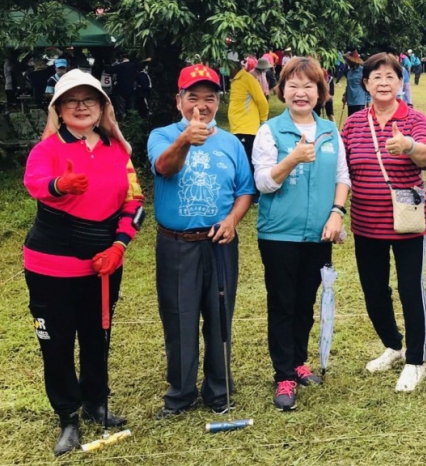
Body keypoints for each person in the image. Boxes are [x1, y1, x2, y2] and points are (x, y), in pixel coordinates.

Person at [23, 69, 144, 456]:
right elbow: (35, 183)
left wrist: (120, 247)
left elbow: (135, 204)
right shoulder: (47, 150)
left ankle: (96, 402)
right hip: (51, 264)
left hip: (103, 263)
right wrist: (61, 186)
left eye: (88, 99)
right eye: (71, 100)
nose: (80, 106)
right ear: (58, 109)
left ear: (102, 107)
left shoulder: (118, 151)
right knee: (56, 343)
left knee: (97, 336)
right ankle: (68, 416)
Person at [148, 64, 255, 419]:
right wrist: (184, 140)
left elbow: (245, 190)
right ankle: (180, 394)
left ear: (218, 102)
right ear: (178, 100)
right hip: (177, 244)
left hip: (220, 242)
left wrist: (233, 219)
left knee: (220, 316)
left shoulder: (231, 143)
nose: (201, 105)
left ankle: (219, 389)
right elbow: (164, 168)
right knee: (179, 318)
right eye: (193, 97)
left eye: (209, 98)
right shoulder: (162, 136)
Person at [253, 57, 351, 411]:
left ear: (320, 91)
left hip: (318, 235)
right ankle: (283, 374)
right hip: (279, 234)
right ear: (281, 90)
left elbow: (343, 177)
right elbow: (263, 182)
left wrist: (337, 214)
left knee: (306, 304)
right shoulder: (270, 131)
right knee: (282, 304)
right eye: (293, 85)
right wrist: (292, 158)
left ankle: (298, 361)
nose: (301, 92)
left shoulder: (329, 130)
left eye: (309, 86)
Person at [341, 52, 426, 392]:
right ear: (365, 84)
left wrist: (408, 145)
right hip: (366, 223)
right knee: (374, 291)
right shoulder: (352, 124)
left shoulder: (414, 119)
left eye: (390, 76)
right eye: (375, 77)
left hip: (407, 222)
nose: (383, 82)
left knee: (411, 288)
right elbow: (342, 172)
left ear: (401, 82)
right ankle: (394, 345)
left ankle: (416, 361)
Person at [227, 55, 270, 175]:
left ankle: (253, 189)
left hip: (247, 129)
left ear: (233, 67)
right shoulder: (235, 80)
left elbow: (262, 101)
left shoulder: (248, 79)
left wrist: (263, 121)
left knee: (248, 161)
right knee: (240, 160)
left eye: (226, 67)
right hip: (237, 127)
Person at [342, 51, 369, 117]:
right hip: (350, 101)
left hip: (359, 101)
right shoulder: (349, 72)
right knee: (351, 120)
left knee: (359, 122)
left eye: (348, 61)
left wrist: (369, 100)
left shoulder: (363, 71)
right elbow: (348, 85)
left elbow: (367, 86)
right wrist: (345, 95)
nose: (347, 62)